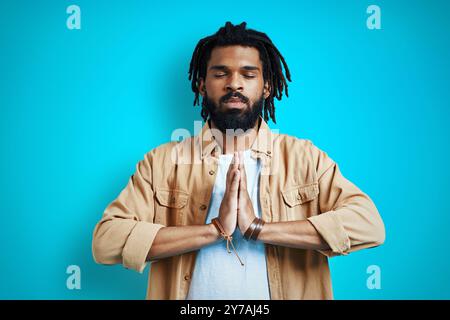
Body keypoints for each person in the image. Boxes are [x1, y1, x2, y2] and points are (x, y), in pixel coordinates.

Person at [92, 21, 385, 300]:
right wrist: (213, 230)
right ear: (201, 85)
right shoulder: (163, 162)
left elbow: (368, 225)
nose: (235, 84)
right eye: (221, 73)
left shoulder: (304, 158)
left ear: (267, 86)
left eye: (248, 74)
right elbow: (106, 241)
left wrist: (257, 228)